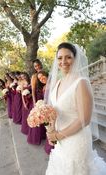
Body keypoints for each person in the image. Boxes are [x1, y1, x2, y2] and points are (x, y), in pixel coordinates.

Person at [45, 42, 106, 175]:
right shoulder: (59, 83)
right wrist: (51, 130)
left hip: (76, 141)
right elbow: (54, 111)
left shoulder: (81, 82)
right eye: (60, 58)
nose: (63, 61)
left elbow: (84, 119)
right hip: (60, 141)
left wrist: (57, 135)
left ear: (75, 58)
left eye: (68, 57)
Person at [27, 59, 46, 145]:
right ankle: (36, 137)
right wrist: (34, 103)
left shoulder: (45, 72)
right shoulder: (34, 76)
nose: (37, 67)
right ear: (34, 67)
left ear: (41, 64)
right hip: (38, 98)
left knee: (45, 115)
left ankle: (44, 134)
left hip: (45, 95)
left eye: (38, 65)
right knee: (39, 116)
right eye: (35, 66)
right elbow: (33, 90)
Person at [37, 71, 55, 154]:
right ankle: (52, 143)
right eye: (39, 78)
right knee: (50, 127)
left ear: (46, 75)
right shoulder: (44, 87)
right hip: (48, 108)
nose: (41, 79)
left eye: (42, 76)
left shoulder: (54, 82)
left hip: (55, 107)